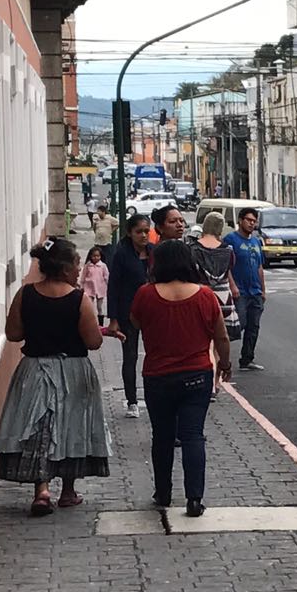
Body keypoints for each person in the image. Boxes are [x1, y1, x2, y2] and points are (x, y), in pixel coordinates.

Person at [0, 237, 113, 516]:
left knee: (39, 428)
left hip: (34, 369)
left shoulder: (25, 294)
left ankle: (41, 490)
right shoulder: (79, 300)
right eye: (77, 263)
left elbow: (13, 334)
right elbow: (93, 342)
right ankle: (68, 491)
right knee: (72, 427)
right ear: (66, 267)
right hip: (73, 371)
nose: (79, 269)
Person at [131, 240, 231, 517]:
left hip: (158, 376)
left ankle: (162, 492)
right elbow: (221, 336)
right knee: (192, 436)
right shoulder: (205, 296)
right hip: (196, 375)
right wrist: (224, 363)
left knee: (161, 437)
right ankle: (194, 499)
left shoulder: (145, 294)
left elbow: (136, 322)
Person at [106, 214, 154, 417]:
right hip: (129, 313)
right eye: (139, 232)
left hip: (153, 311)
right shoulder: (121, 254)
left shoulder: (153, 252)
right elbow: (113, 286)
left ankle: (154, 397)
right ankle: (132, 401)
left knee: (155, 355)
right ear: (129, 233)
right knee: (131, 356)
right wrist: (114, 318)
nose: (144, 235)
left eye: (146, 231)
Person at [191, 211, 239, 396]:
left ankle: (208, 382)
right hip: (223, 297)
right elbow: (229, 271)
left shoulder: (194, 249)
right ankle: (216, 382)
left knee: (205, 342)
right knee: (220, 340)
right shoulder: (228, 250)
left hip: (201, 295)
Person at [224, 207, 266, 371]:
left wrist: (263, 289)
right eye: (248, 220)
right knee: (237, 325)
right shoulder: (231, 239)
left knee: (253, 327)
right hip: (240, 291)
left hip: (255, 291)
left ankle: (247, 359)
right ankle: (221, 356)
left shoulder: (256, 241)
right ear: (240, 220)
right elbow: (225, 265)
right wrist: (232, 285)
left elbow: (259, 266)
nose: (251, 224)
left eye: (254, 221)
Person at [80, 245, 109, 325]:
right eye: (94, 256)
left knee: (99, 307)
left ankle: (100, 323)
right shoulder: (88, 266)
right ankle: (91, 322)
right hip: (89, 288)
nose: (96, 258)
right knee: (89, 306)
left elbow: (106, 277)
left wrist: (108, 286)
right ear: (90, 256)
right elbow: (83, 276)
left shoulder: (103, 266)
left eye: (98, 256)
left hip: (100, 288)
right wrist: (81, 285)